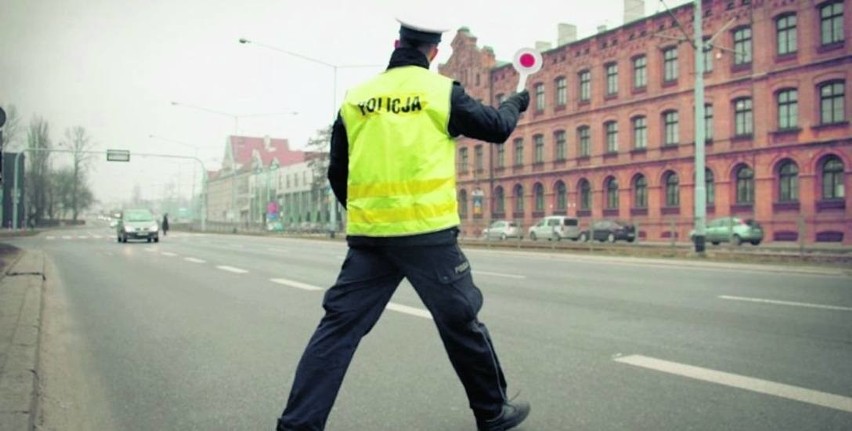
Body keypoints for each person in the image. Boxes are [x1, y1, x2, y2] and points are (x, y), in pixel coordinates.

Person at [275, 17, 531, 431]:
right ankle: (492, 412)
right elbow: (498, 128)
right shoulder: (439, 92)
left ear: (397, 43)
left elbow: (338, 170)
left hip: (371, 239)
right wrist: (515, 102)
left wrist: (365, 213)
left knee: (337, 331)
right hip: (429, 238)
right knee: (461, 323)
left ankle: (297, 426)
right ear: (433, 52)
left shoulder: (357, 98)